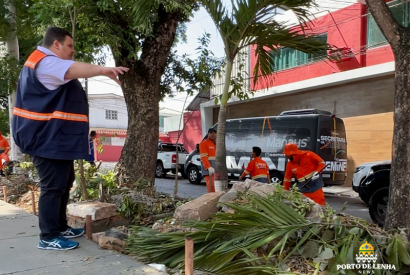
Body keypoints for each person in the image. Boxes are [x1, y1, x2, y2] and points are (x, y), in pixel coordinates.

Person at [12, 27, 128, 250]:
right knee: (53, 186)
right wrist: (104, 70)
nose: (73, 51)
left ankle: (59, 226)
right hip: (43, 138)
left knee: (64, 183)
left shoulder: (44, 62)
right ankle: (48, 236)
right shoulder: (46, 62)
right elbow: (76, 68)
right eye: (69, 46)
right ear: (56, 44)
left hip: (53, 138)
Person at [199, 128, 217, 192]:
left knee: (216, 187)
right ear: (208, 134)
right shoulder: (204, 144)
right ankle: (211, 200)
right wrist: (208, 167)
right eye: (211, 133)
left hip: (216, 169)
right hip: (209, 170)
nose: (213, 135)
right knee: (211, 186)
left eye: (214, 133)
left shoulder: (216, 144)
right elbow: (204, 157)